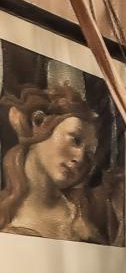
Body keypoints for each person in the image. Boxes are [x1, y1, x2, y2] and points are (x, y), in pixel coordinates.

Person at [0, 84, 117, 244]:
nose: (80, 158)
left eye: (89, 154)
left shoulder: (89, 213)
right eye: (75, 139)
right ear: (39, 123)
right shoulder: (5, 213)